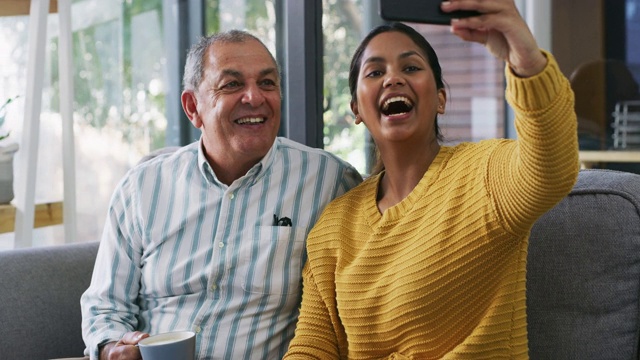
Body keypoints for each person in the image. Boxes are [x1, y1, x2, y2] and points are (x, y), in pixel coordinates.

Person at [284, 0, 580, 358]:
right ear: (356, 110)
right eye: (374, 72)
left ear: (440, 99)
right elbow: (312, 347)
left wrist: (526, 60)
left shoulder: (482, 174)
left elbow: (551, 170)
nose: (393, 77)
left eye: (411, 67)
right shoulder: (334, 227)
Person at [81, 29, 362, 360]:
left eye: (268, 83)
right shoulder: (142, 188)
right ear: (192, 107)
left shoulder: (329, 182)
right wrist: (113, 347)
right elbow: (106, 303)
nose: (255, 97)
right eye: (232, 84)